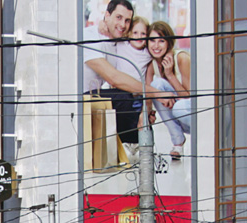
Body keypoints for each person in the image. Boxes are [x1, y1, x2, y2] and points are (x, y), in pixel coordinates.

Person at [82, 0, 174, 154]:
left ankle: (138, 146)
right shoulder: (89, 37)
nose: (123, 24)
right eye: (118, 17)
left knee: (140, 110)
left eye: (127, 20)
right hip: (79, 100)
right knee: (125, 97)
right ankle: (129, 144)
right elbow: (114, 78)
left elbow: (146, 46)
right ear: (107, 15)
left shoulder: (119, 42)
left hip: (96, 98)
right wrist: (157, 93)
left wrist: (144, 111)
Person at [145, 20, 192, 158]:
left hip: (192, 114)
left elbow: (189, 97)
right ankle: (178, 141)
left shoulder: (181, 58)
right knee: (156, 86)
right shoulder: (151, 65)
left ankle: (200, 139)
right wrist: (147, 114)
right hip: (178, 118)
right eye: (152, 40)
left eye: (161, 41)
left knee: (179, 106)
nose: (156, 46)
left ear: (168, 42)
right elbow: (148, 95)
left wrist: (170, 75)